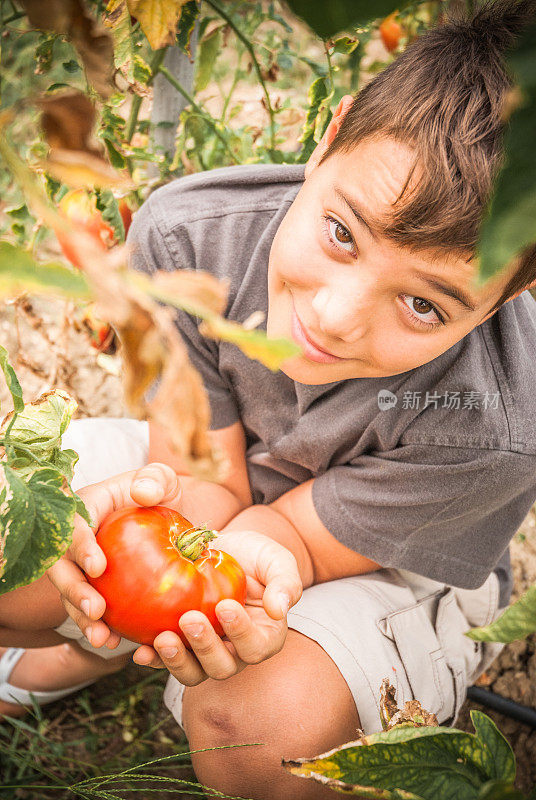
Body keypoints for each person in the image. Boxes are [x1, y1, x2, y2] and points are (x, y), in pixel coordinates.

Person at [1, 2, 536, 798]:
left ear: (515, 292)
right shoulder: (187, 240)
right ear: (332, 137)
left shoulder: (499, 427)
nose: (333, 318)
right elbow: (202, 473)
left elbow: (297, 540)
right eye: (342, 233)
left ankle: (140, 656)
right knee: (22, 544)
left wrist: (221, 587)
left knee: (258, 731)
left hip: (389, 556)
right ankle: (99, 642)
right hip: (231, 479)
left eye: (425, 304)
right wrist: (153, 539)